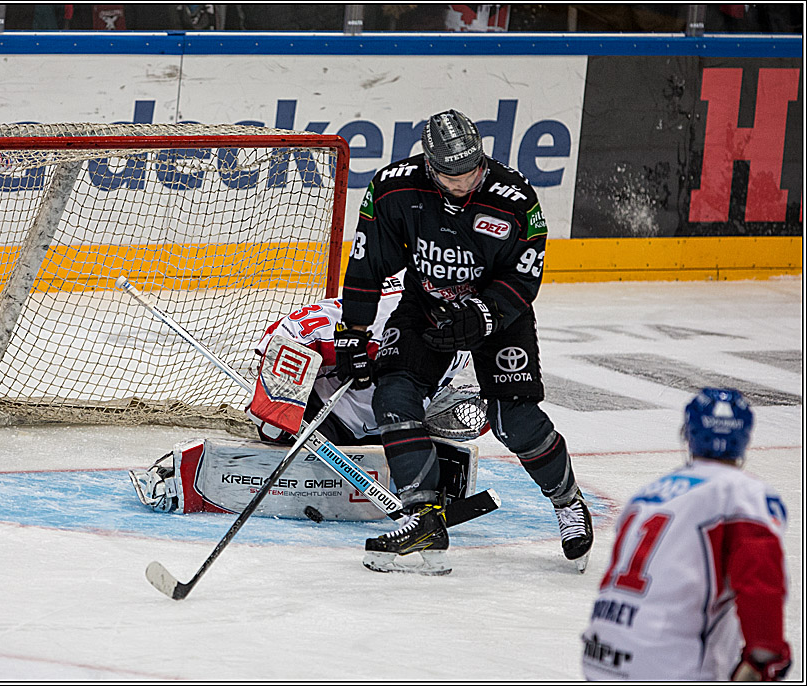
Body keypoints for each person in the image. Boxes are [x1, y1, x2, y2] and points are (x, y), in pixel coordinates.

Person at [334, 109, 593, 575]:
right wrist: (353, 330)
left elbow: (524, 276)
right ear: (430, 166)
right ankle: (423, 516)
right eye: (451, 176)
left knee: (513, 418)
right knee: (394, 395)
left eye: (471, 171)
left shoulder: (514, 199)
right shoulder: (394, 188)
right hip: (426, 304)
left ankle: (566, 501)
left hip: (497, 315)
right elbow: (368, 262)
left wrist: (482, 314)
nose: (463, 182)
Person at [129, 273, 488, 521]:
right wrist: (286, 402)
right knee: (277, 433)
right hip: (324, 414)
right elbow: (287, 333)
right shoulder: (384, 307)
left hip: (383, 420)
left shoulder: (472, 325)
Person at [581, 388, 790, 681]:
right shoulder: (746, 494)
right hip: (668, 662)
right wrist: (765, 657)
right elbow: (760, 583)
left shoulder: (647, 495)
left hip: (600, 651)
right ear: (745, 438)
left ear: (688, 434)